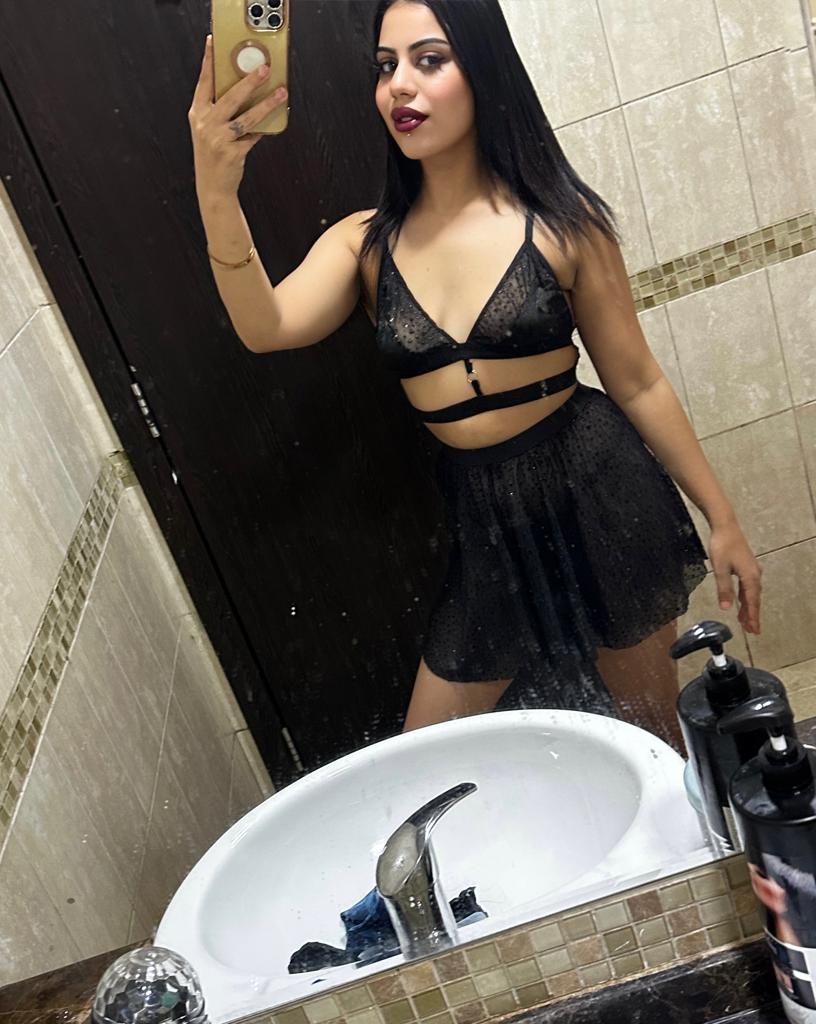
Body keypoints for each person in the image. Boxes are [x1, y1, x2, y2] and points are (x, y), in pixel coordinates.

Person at [187, 0, 762, 753]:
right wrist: (216, 191)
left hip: (598, 491)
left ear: (483, 71)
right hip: (485, 522)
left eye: (429, 60)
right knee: (425, 755)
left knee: (651, 737)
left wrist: (722, 519)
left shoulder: (563, 222)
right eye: (386, 67)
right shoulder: (364, 245)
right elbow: (264, 326)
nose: (399, 85)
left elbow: (638, 382)